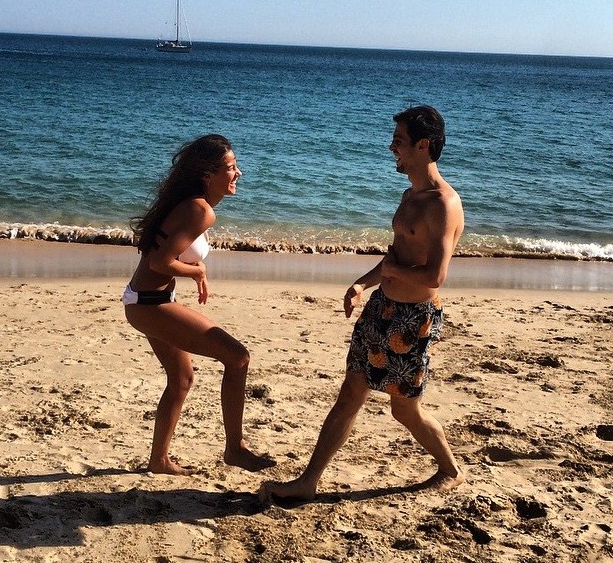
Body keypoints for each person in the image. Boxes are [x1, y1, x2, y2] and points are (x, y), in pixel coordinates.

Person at [260, 106, 465, 502]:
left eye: (399, 141)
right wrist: (363, 284)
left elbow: (434, 276)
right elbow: (396, 258)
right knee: (351, 392)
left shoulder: (444, 204)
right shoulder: (410, 195)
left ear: (423, 146)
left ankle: (450, 469)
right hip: (382, 307)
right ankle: (308, 481)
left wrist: (389, 271)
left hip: (412, 320)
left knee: (404, 410)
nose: (392, 147)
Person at [123, 134, 274, 475]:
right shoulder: (200, 210)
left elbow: (162, 257)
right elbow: (160, 262)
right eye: (231, 167)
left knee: (181, 378)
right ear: (208, 175)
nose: (238, 173)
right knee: (238, 357)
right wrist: (197, 271)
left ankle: (159, 460)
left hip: (147, 299)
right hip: (149, 304)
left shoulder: (194, 205)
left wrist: (194, 270)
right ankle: (235, 449)